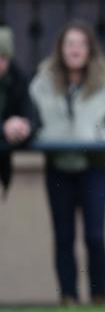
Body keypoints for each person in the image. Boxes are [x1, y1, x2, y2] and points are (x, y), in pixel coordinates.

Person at [29, 20, 105, 306]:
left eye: (81, 44)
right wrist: (40, 136)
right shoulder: (43, 81)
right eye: (69, 44)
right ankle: (68, 297)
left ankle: (99, 296)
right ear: (60, 49)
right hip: (57, 166)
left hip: (93, 166)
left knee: (94, 235)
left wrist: (99, 136)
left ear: (90, 49)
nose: (75, 49)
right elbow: (28, 119)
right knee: (63, 236)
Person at [0, 26, 38, 199]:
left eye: (2, 57)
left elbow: (32, 115)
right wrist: (3, 129)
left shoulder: (17, 79)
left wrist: (25, 127)